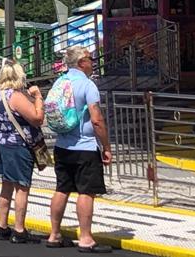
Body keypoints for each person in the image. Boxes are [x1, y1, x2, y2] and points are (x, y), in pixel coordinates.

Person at [47, 46, 113, 253]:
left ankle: (54, 234)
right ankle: (85, 238)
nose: (93, 62)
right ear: (82, 62)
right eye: (90, 58)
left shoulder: (60, 82)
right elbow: (96, 119)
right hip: (84, 146)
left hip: (62, 145)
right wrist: (106, 146)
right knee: (86, 191)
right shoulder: (87, 85)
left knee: (62, 188)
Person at [0, 61, 44, 244]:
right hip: (17, 146)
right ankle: (19, 229)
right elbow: (37, 118)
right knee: (22, 187)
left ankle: (2, 227)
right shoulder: (16, 96)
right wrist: (38, 98)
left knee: (6, 186)